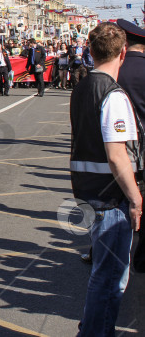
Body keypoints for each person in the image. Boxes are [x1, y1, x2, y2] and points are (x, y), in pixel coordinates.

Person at [70, 22, 142, 336]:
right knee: (111, 278)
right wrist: (137, 199)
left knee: (104, 273)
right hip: (110, 198)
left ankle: (92, 328)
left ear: (90, 52)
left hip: (87, 190)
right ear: (123, 53)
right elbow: (117, 156)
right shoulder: (113, 96)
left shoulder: (83, 86)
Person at [116, 19, 145, 272]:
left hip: (120, 146)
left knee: (116, 201)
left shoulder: (117, 71)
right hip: (144, 147)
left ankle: (106, 251)